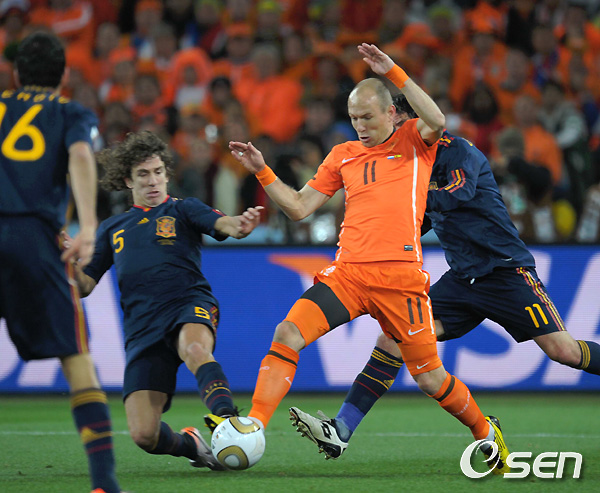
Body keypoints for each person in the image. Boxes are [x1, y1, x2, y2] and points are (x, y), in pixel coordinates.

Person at [226, 43, 510, 474]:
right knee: (288, 332)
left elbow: (437, 120)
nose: (359, 126)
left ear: (392, 113)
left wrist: (393, 70)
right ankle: (253, 425)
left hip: (401, 281)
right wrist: (262, 171)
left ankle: (485, 432)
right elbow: (299, 207)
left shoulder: (414, 140)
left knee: (430, 378)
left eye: (367, 117)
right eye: (354, 118)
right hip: (349, 276)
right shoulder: (343, 155)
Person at [290, 93, 600, 463]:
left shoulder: (457, 151)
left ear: (411, 120)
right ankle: (341, 429)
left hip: (505, 271)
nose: (393, 134)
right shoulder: (408, 164)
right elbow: (411, 224)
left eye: (398, 125)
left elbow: (459, 193)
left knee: (563, 351)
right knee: (392, 339)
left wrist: (405, 196)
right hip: (462, 279)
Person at [67, 130, 263, 471]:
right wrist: (68, 263)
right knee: (144, 434)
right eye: (143, 174)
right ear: (128, 180)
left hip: (187, 303)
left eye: (158, 172)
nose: (153, 180)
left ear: (167, 174)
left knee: (196, 349)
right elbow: (84, 285)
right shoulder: (113, 228)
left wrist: (239, 225)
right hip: (142, 327)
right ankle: (194, 446)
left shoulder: (185, 209)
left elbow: (224, 224)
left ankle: (228, 421)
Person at [0, 32, 122, 493]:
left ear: (16, 74)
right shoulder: (70, 112)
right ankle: (104, 484)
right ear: (64, 75)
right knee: (76, 358)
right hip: (35, 238)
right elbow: (80, 155)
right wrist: (89, 225)